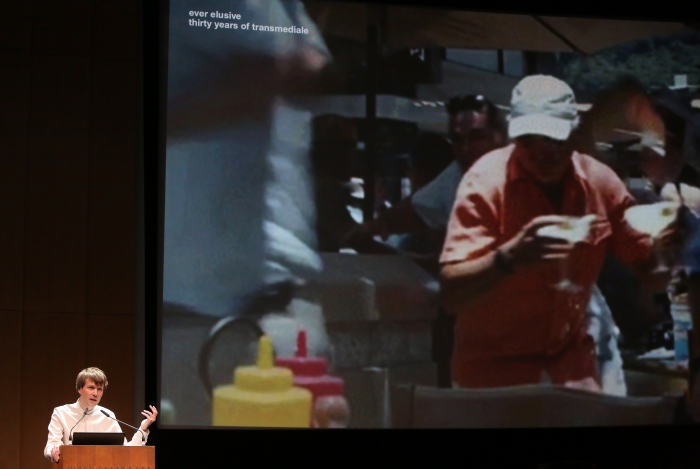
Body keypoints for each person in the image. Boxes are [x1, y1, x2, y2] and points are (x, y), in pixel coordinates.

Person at [439, 75, 683, 390]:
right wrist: (508, 259)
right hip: (492, 373)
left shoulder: (600, 183)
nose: (542, 152)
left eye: (554, 138)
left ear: (575, 131)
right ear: (513, 136)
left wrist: (665, 248)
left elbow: (652, 275)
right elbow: (450, 295)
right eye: (529, 140)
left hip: (571, 367)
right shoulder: (484, 183)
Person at [44, 367, 158, 463]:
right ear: (79, 389)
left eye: (100, 389)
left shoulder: (107, 415)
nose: (95, 393)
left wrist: (143, 428)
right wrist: (54, 451)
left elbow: (125, 451)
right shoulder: (61, 412)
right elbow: (51, 445)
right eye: (91, 388)